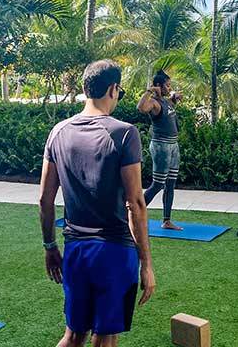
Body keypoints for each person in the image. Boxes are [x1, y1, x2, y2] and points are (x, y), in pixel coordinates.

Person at [40, 60, 155, 347]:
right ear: (114, 89)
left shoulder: (58, 132)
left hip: (76, 249)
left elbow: (44, 199)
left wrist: (49, 246)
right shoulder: (125, 133)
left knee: (74, 333)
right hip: (115, 251)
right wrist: (147, 264)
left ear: (84, 88)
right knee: (105, 336)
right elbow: (136, 203)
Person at [137, 70, 183, 231]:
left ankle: (167, 220)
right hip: (161, 146)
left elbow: (168, 111)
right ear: (158, 86)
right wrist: (149, 91)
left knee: (170, 183)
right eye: (167, 85)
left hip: (173, 146)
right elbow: (141, 107)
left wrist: (174, 98)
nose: (169, 87)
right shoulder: (154, 103)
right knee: (158, 184)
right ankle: (133, 215)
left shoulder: (165, 101)